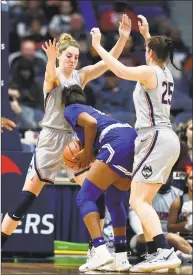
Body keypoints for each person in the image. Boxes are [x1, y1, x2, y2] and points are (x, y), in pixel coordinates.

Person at [1, 15, 131, 251]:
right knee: (26, 198)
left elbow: (109, 63)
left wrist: (121, 39)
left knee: (94, 193)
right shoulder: (53, 76)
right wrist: (50, 60)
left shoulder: (80, 76)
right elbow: (51, 78)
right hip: (50, 139)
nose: (73, 60)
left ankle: (96, 249)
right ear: (59, 55)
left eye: (76, 57)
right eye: (68, 56)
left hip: (74, 139)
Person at [90, 15, 182, 272]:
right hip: (166, 137)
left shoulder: (148, 71)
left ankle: (164, 251)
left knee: (137, 202)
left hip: (155, 136)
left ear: (150, 52)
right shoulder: (165, 72)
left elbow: (119, 71)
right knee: (143, 201)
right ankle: (157, 252)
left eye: (146, 48)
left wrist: (98, 47)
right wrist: (146, 34)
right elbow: (154, 56)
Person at [62, 84, 137, 272]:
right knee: (114, 200)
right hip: (131, 139)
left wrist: (86, 151)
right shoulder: (95, 110)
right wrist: (92, 154)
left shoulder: (71, 109)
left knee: (84, 197)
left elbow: (91, 125)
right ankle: (121, 257)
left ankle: (100, 249)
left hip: (116, 143)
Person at [168, 167, 193, 262]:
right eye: (191, 178)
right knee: (169, 236)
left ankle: (188, 256)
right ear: (186, 183)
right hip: (184, 242)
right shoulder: (179, 200)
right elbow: (169, 227)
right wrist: (186, 225)